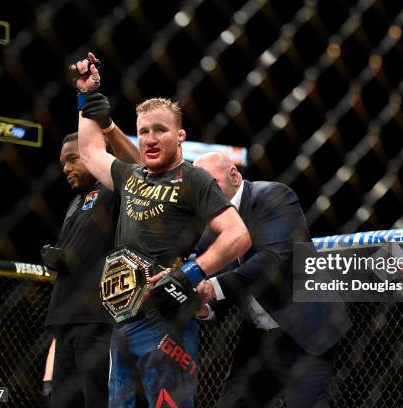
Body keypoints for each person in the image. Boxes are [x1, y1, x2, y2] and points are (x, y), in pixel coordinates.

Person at [72, 54, 251, 407]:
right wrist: (85, 97)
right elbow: (90, 151)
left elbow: (237, 234)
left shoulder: (193, 179)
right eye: (143, 132)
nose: (150, 139)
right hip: (123, 316)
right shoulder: (130, 175)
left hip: (166, 318)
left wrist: (188, 275)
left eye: (160, 130)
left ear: (180, 135)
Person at [193, 152, 352, 408]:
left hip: (305, 328)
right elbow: (196, 264)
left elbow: (272, 260)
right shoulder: (213, 224)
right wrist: (202, 305)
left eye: (211, 184)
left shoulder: (273, 197)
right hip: (259, 337)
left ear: (234, 174)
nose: (206, 194)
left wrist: (214, 286)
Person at [43, 130, 135, 408]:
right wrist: (56, 260)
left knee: (99, 399)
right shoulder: (75, 203)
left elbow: (136, 168)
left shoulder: (112, 188)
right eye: (63, 164)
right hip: (65, 317)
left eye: (72, 160)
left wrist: (105, 131)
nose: (67, 169)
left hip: (98, 317)